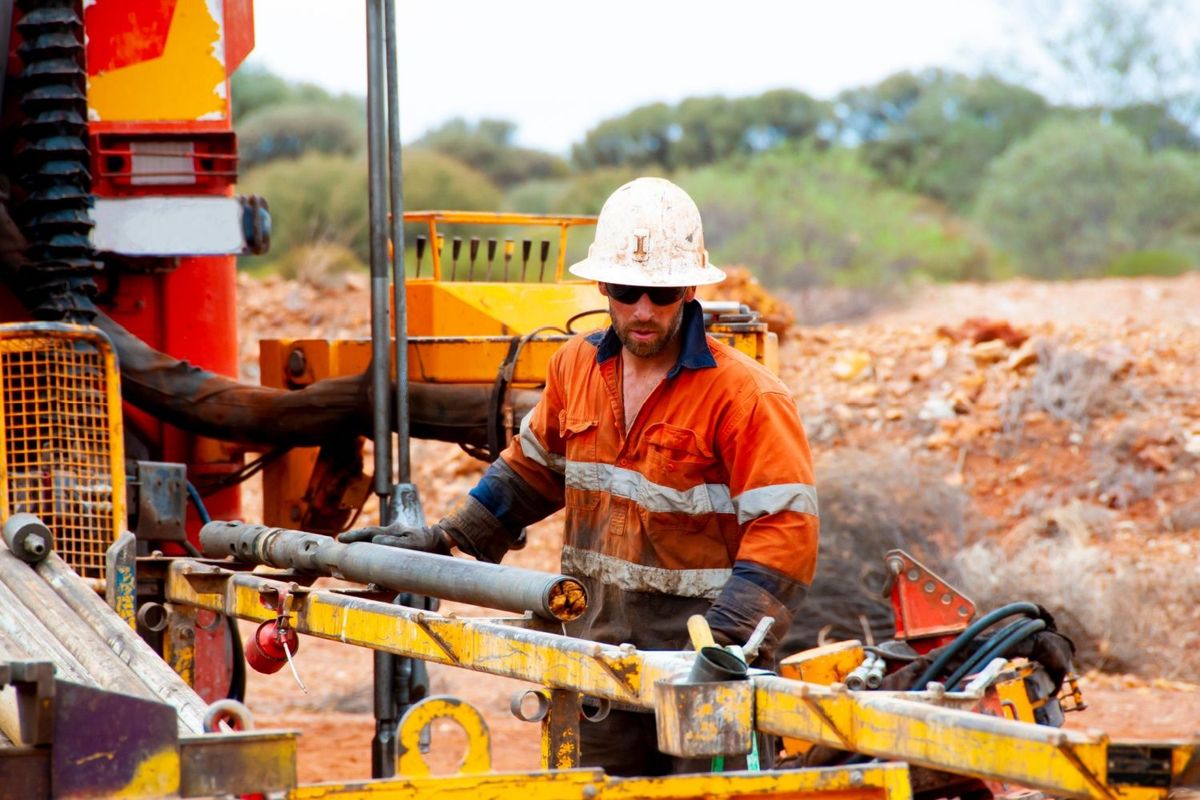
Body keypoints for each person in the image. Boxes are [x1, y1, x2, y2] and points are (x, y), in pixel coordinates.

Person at [341, 177, 819, 775]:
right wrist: (444, 539)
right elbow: (531, 472)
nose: (643, 311)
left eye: (662, 293)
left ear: (691, 287)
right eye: (627, 290)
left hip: (697, 667)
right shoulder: (574, 367)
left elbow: (785, 535)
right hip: (596, 657)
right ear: (602, 286)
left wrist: (722, 651)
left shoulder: (745, 396)